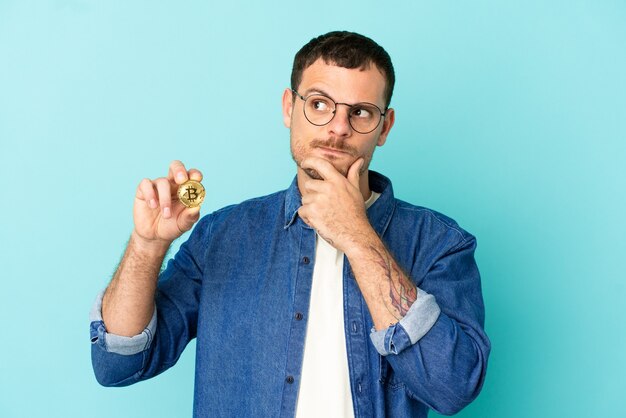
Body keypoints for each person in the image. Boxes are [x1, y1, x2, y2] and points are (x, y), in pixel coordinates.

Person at [90, 31, 490, 417]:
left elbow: (452, 387)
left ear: (384, 127)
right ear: (288, 107)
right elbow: (118, 364)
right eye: (319, 104)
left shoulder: (440, 243)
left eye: (361, 112)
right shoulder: (222, 236)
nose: (338, 127)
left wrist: (356, 234)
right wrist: (146, 245)